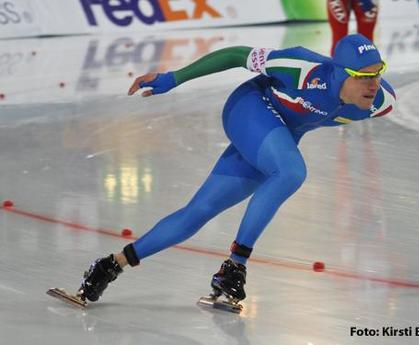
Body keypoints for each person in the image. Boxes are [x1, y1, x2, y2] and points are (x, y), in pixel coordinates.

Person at [77, 34, 396, 306]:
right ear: (340, 73)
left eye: (378, 74)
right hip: (251, 108)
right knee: (290, 172)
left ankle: (110, 265)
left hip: (278, 135)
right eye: (363, 76)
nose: (373, 84)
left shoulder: (379, 104)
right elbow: (235, 55)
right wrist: (174, 78)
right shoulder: (301, 66)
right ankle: (235, 265)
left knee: (199, 211)